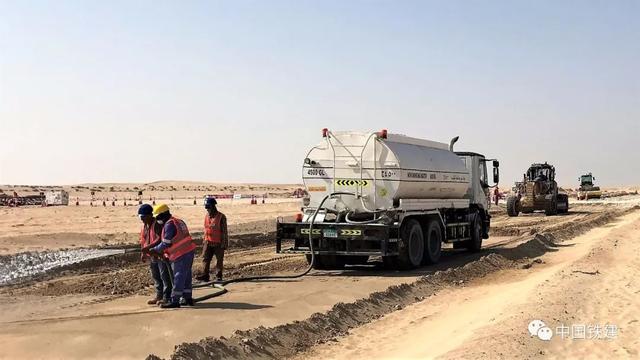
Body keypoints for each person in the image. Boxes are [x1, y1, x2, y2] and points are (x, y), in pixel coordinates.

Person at [145, 204, 197, 308]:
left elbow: (166, 243)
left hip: (180, 254)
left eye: (158, 217)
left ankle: (175, 300)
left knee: (178, 277)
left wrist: (153, 250)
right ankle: (188, 298)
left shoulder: (169, 225)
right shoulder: (179, 221)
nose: (157, 220)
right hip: (189, 251)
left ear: (163, 215)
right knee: (186, 276)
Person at [138, 204, 172, 305]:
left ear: (149, 215)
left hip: (160, 255)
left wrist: (148, 248)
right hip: (152, 255)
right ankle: (159, 295)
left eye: (143, 217)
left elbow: (159, 239)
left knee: (164, 276)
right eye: (141, 217)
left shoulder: (157, 224)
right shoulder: (145, 226)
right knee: (156, 276)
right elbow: (144, 240)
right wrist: (143, 252)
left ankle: (167, 297)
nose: (141, 219)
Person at [196, 197, 228, 282]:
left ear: (213, 206)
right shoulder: (206, 216)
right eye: (206, 207)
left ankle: (219, 276)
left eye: (208, 207)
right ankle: (205, 275)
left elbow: (224, 231)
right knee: (205, 259)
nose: (207, 209)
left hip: (218, 243)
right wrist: (204, 240)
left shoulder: (221, 217)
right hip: (208, 242)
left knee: (219, 261)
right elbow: (206, 229)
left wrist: (224, 244)